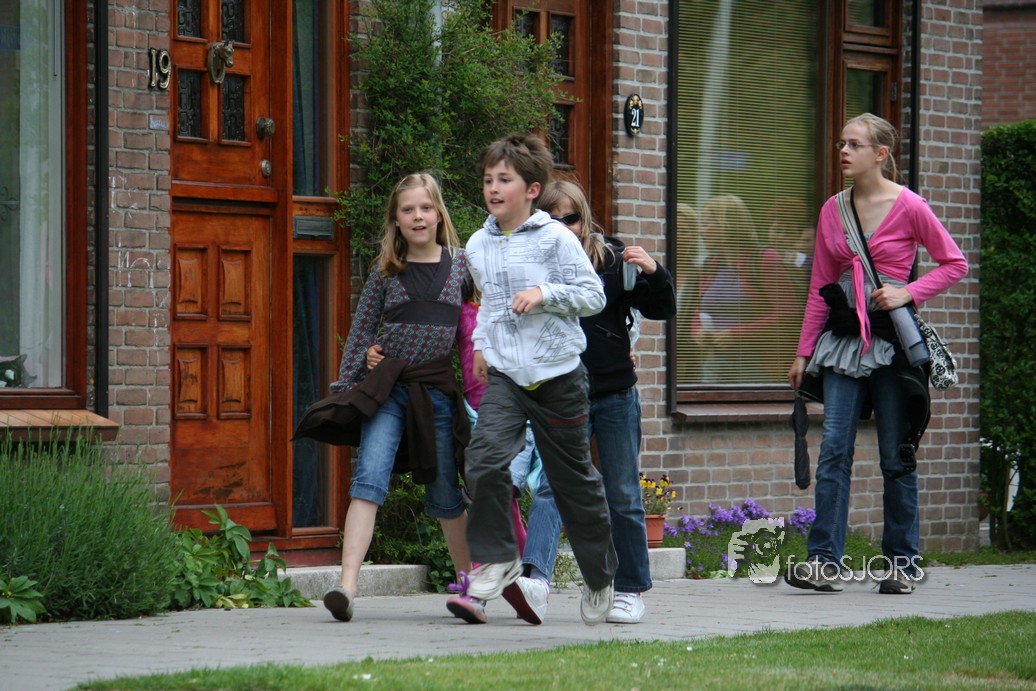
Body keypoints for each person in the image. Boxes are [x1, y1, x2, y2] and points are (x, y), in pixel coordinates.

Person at [786, 113, 968, 595]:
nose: (844, 151)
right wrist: (803, 353)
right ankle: (824, 562)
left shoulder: (910, 206)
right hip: (844, 343)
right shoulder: (833, 209)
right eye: (841, 144)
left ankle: (902, 565)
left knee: (895, 454)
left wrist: (908, 291)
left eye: (855, 144)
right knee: (834, 451)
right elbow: (820, 287)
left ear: (881, 154)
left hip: (892, 344)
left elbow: (954, 263)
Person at [499, 179, 677, 626]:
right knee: (553, 487)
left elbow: (662, 308)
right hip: (561, 395)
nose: (564, 227)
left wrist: (655, 271)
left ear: (586, 219)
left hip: (614, 394)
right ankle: (537, 581)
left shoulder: (611, 260)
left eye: (572, 218)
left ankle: (629, 589)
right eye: (553, 219)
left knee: (622, 491)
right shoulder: (530, 265)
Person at [461, 133, 618, 626]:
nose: (493, 188)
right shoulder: (477, 244)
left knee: (573, 485)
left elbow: (593, 296)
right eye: (488, 179)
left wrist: (544, 293)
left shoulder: (555, 239)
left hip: (559, 378)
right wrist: (481, 346)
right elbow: (488, 303)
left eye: (504, 180)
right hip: (507, 377)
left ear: (531, 190)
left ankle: (600, 576)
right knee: (483, 462)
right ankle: (498, 559)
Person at [313, 173, 473, 621]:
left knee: (446, 493)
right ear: (396, 220)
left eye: (425, 208)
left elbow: (477, 329)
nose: (418, 216)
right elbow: (362, 330)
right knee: (368, 479)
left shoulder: (462, 266)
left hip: (437, 395)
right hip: (389, 392)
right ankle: (346, 586)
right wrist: (347, 384)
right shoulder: (386, 271)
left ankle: (470, 588)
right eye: (408, 210)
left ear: (438, 214)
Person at [689, 194, 799, 383]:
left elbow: (789, 315)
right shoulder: (710, 265)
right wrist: (698, 331)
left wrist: (736, 335)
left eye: (707, 224)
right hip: (715, 364)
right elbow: (698, 312)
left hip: (758, 366)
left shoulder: (765, 259)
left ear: (727, 225)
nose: (701, 231)